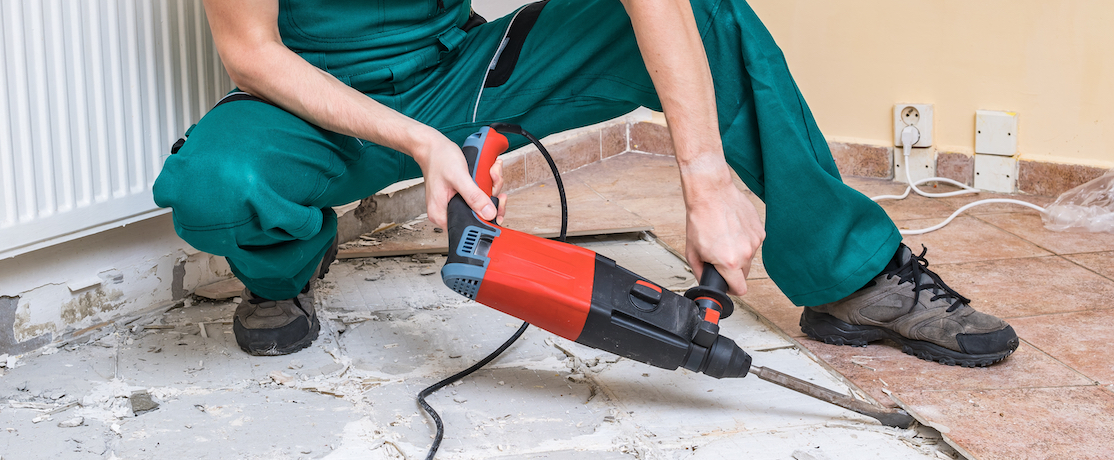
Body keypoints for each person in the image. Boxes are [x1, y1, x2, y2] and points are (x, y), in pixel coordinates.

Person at [153, 0, 1019, 367]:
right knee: (216, 184)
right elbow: (252, 51)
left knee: (709, 12)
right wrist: (421, 142)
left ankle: (848, 274)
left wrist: (704, 182)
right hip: (308, 99)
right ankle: (285, 268)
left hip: (458, 73)